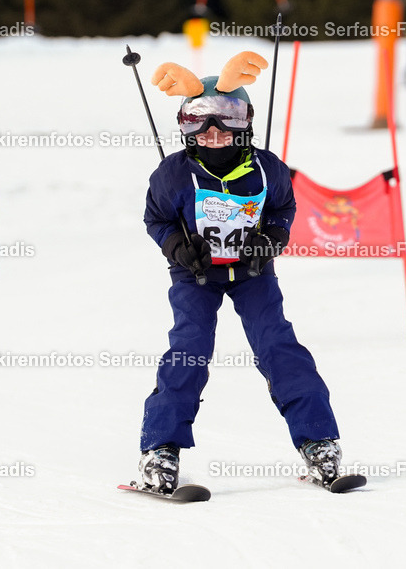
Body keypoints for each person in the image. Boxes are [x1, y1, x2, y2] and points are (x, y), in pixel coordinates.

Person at [139, 52, 344, 493]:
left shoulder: (268, 169)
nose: (214, 136)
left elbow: (283, 209)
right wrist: (177, 247)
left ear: (245, 123)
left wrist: (271, 239)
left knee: (278, 345)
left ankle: (318, 441)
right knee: (190, 348)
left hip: (252, 272)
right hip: (196, 275)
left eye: (226, 122)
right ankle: (160, 449)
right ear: (185, 127)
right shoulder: (173, 174)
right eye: (200, 125)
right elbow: (156, 219)